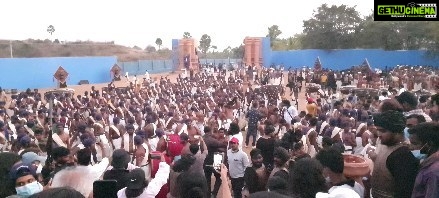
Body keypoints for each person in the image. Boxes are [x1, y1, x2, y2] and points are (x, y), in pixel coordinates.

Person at [371, 110, 419, 198]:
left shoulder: (402, 156)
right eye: (378, 130)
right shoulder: (385, 146)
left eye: (383, 131)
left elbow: (405, 192)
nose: (379, 134)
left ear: (397, 131)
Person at [408, 122, 439, 198]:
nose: (411, 147)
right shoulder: (428, 163)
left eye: (414, 143)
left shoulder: (433, 171)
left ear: (429, 144)